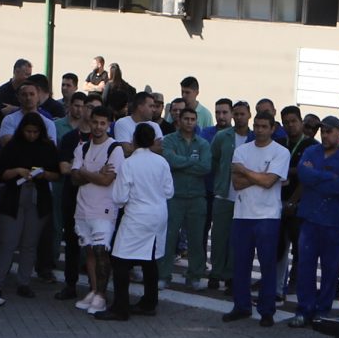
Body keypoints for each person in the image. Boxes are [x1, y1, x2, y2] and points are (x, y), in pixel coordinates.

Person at [289, 117, 339, 328]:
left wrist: (317, 177)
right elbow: (304, 175)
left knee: (330, 269)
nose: (325, 135)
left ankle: (322, 310)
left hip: (333, 221)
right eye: (323, 132)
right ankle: (304, 309)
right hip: (310, 218)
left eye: (330, 131)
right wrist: (328, 176)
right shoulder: (311, 152)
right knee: (305, 266)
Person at [223, 112, 290, 326]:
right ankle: (241, 306)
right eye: (257, 126)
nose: (260, 130)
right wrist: (260, 176)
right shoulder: (241, 150)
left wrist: (246, 172)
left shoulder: (281, 152)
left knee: (267, 264)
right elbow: (237, 183)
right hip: (242, 214)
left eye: (264, 126)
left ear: (272, 128)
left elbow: (270, 182)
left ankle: (267, 310)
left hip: (268, 216)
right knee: (241, 263)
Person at [0, 104, 60, 298]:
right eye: (28, 131)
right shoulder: (13, 146)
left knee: (30, 243)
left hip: (38, 199)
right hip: (13, 198)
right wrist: (18, 171)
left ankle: (24, 281)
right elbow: (1, 173)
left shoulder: (47, 147)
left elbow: (57, 174)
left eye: (35, 132)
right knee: (7, 242)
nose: (31, 135)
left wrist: (43, 174)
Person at [103, 121, 173, 319]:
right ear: (152, 141)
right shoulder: (161, 162)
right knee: (149, 259)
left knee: (120, 259)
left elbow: (119, 197)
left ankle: (120, 307)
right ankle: (149, 302)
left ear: (133, 140)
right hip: (158, 213)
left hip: (137, 214)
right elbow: (169, 191)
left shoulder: (129, 163)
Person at [66, 107, 123, 313]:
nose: (98, 127)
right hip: (82, 209)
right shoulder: (82, 147)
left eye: (103, 123)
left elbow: (107, 179)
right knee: (88, 250)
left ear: (109, 124)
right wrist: (93, 173)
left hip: (104, 209)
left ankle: (101, 295)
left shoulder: (114, 149)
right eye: (95, 122)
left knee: (101, 251)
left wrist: (83, 172)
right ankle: (93, 289)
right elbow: (74, 178)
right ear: (90, 123)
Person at [161, 104, 214, 287]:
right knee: (169, 238)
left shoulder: (203, 144)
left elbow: (206, 167)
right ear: (179, 120)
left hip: (197, 197)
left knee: (196, 240)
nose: (189, 122)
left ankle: (195, 276)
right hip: (174, 196)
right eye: (186, 119)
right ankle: (163, 276)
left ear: (196, 121)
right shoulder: (168, 140)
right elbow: (168, 160)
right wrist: (191, 162)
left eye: (192, 119)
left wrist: (180, 163)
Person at [206, 96, 246, 291]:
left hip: (244, 198)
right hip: (223, 194)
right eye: (236, 114)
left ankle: (231, 275)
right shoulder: (222, 137)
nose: (239, 117)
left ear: (248, 116)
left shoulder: (255, 138)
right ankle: (216, 272)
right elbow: (213, 160)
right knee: (219, 237)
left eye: (242, 114)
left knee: (236, 240)